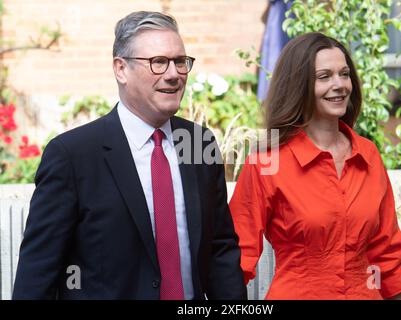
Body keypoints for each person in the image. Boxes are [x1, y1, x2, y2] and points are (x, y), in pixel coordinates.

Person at [13, 11, 246, 300]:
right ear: (121, 69)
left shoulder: (199, 143)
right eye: (158, 62)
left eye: (180, 62)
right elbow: (38, 273)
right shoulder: (73, 155)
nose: (173, 74)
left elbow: (219, 247)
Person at [229, 32, 401, 300]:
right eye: (324, 76)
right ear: (298, 85)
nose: (339, 85)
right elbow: (237, 257)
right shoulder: (267, 162)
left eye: (344, 74)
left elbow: (385, 255)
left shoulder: (368, 155)